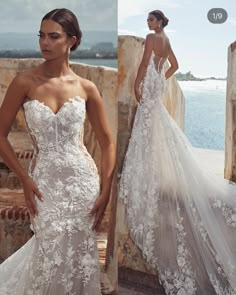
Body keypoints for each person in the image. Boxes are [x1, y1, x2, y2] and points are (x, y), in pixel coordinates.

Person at [119, 9, 236, 294]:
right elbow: (175, 65)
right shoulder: (167, 40)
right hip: (158, 84)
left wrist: (138, 83)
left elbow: (145, 63)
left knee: (147, 125)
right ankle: (154, 165)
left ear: (159, 22)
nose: (148, 23)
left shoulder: (149, 38)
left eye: (151, 19)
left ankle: (146, 168)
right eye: (147, 20)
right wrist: (162, 77)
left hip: (150, 84)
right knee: (156, 124)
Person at [0, 8, 116, 295]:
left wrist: (105, 190)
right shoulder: (24, 83)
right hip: (44, 183)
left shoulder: (86, 87)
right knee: (47, 248)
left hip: (82, 183)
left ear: (71, 41)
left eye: (54, 36)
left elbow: (107, 142)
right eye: (41, 35)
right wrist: (24, 179)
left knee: (77, 253)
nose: (45, 43)